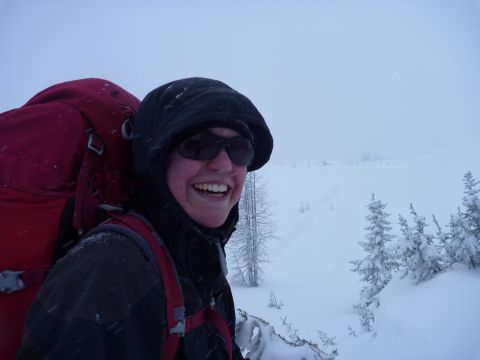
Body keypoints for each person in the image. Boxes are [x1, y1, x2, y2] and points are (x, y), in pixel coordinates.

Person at [17, 77, 273, 359]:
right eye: (200, 145)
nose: (224, 164)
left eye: (239, 149)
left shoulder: (200, 258)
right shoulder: (110, 268)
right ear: (157, 158)